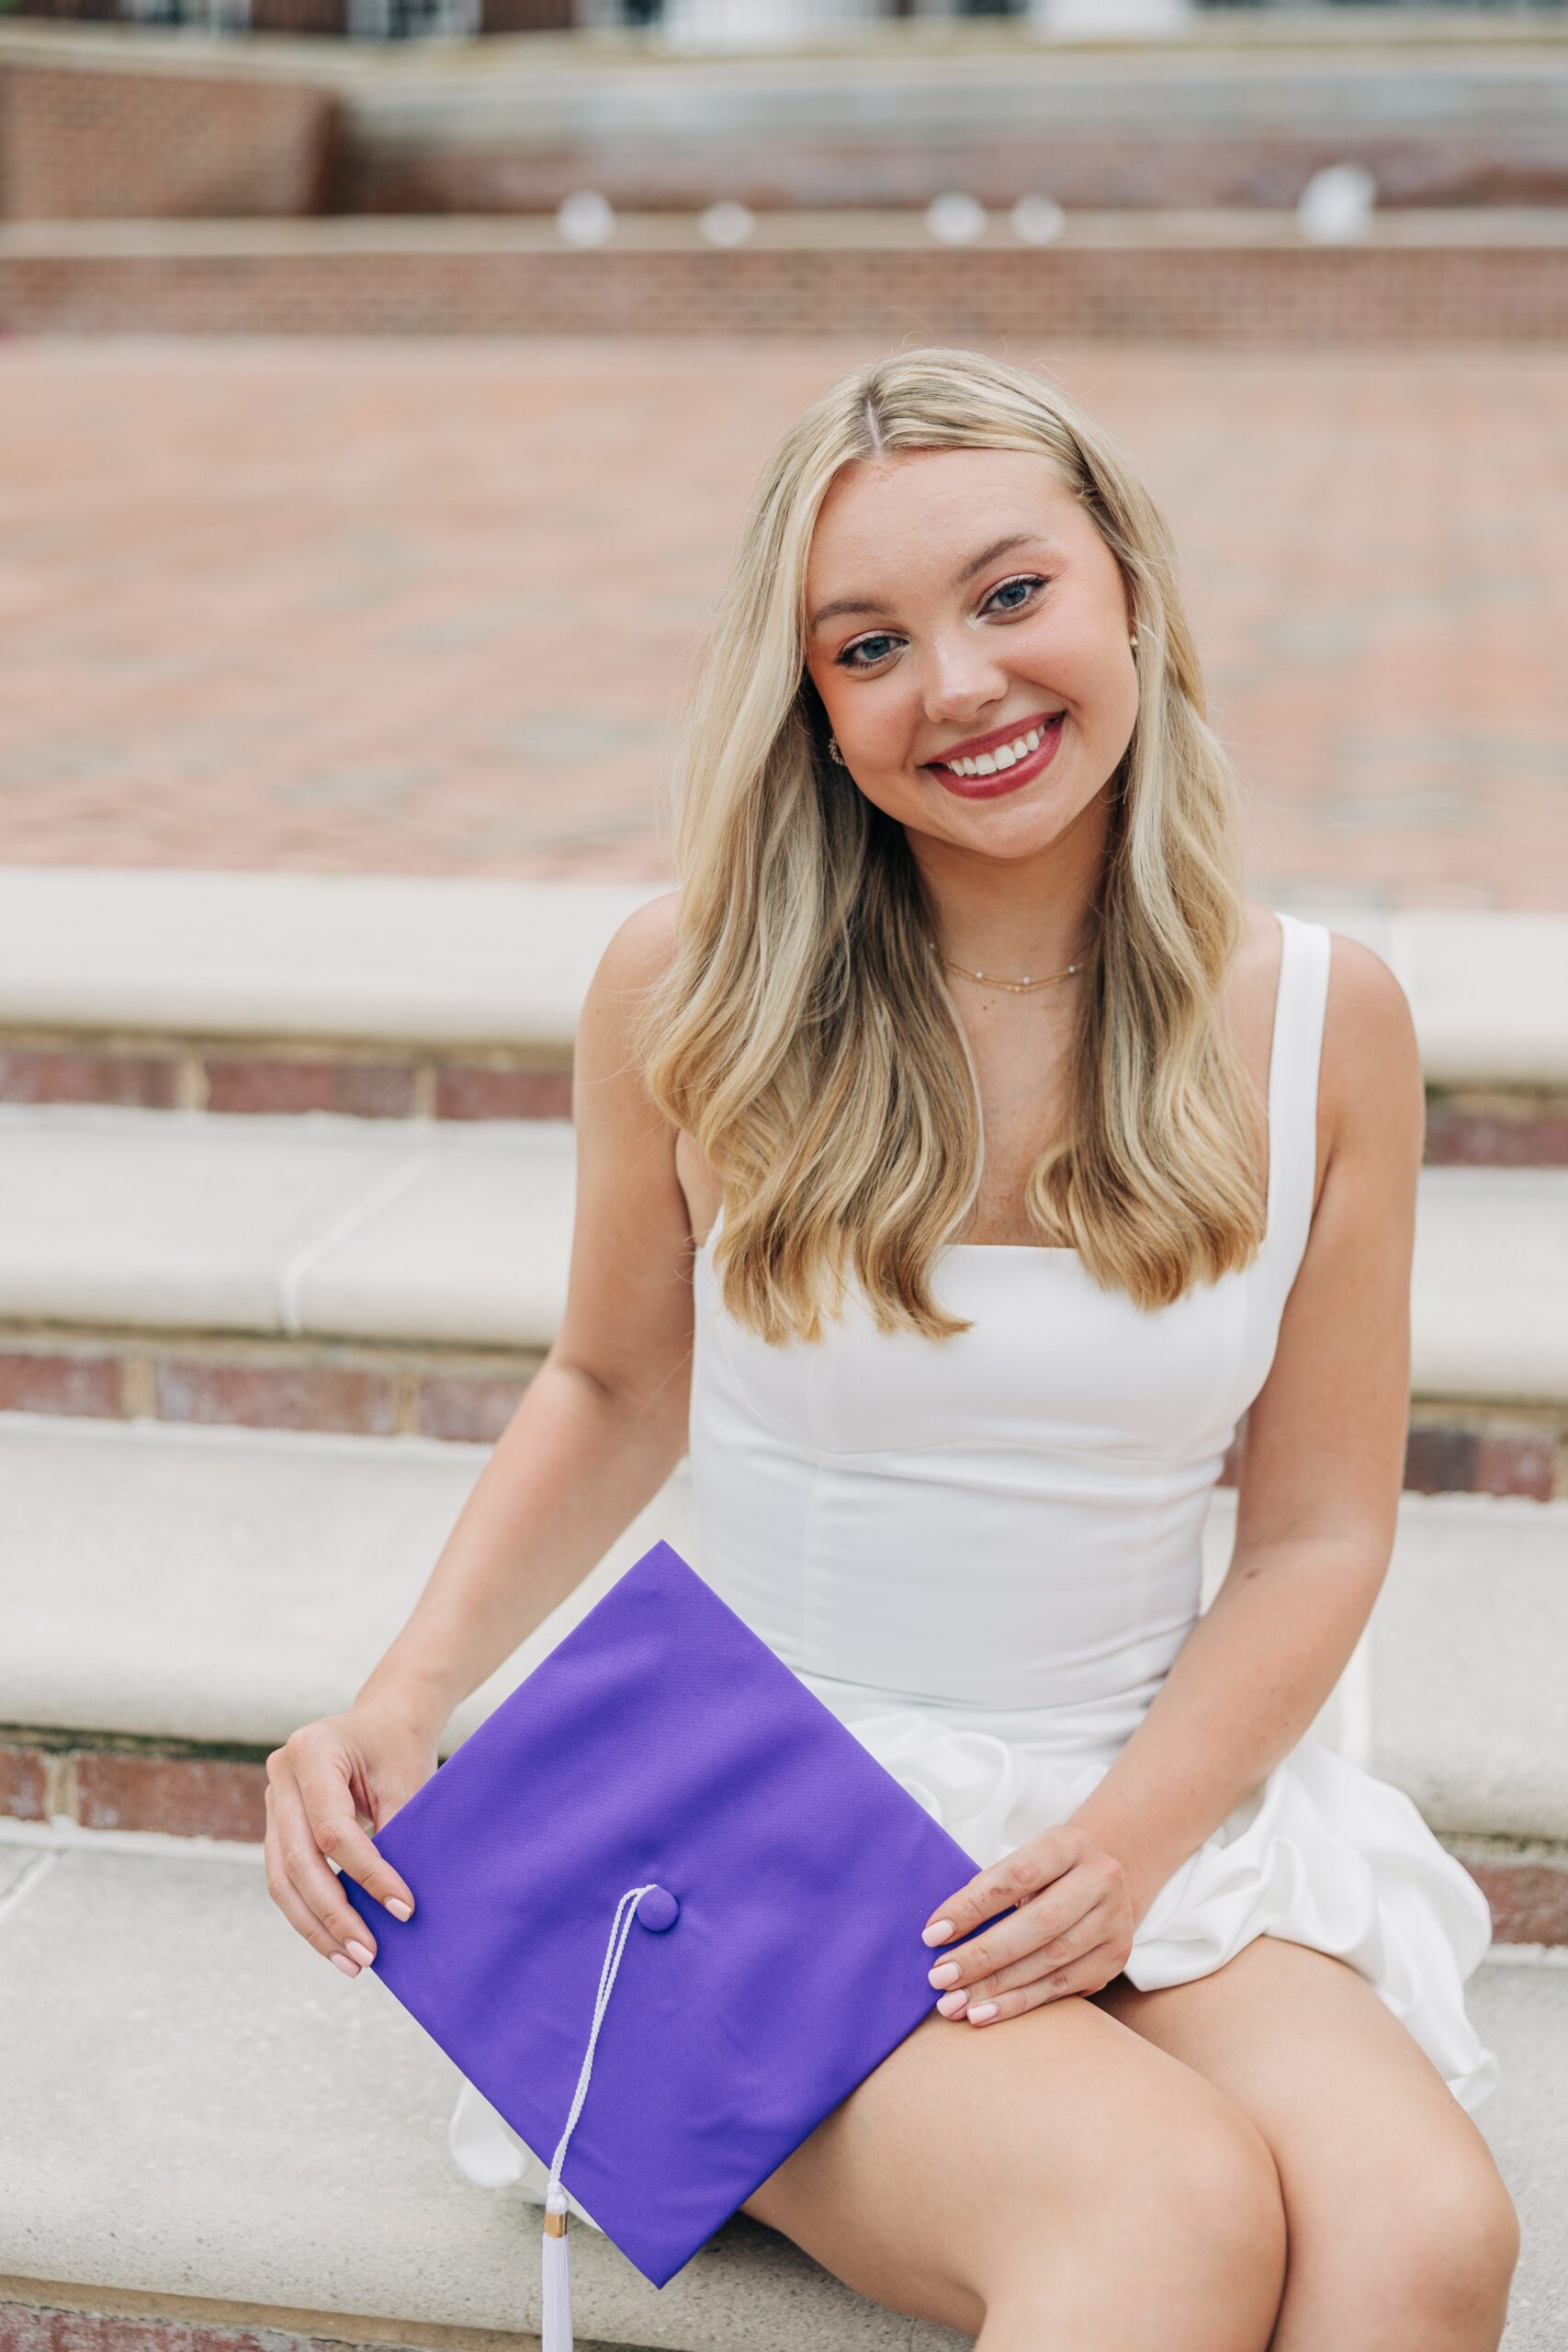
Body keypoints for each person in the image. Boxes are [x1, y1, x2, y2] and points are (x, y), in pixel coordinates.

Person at [265, 346, 1520, 2351]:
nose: (957, 685)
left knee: (1419, 2232)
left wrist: (1115, 1853)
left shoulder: (1318, 1021)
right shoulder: (689, 985)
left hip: (1128, 1786)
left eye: (1009, 594)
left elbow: (1310, 1536)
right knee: (1162, 2209)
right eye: (868, 643)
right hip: (740, 1793)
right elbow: (612, 1383)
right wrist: (407, 1689)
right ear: (813, 704)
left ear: (1125, 586)